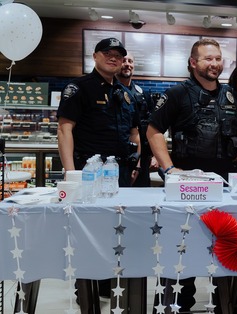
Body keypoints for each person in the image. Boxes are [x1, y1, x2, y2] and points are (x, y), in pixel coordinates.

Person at [146, 38, 237, 313]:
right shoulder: (178, 93)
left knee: (225, 253)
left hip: (225, 188)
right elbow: (153, 131)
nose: (214, 64)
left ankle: (224, 306)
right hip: (187, 190)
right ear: (193, 62)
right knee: (184, 252)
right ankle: (177, 307)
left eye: (218, 58)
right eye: (208, 59)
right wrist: (169, 169)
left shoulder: (231, 96)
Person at [56, 37, 140, 309]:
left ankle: (111, 287)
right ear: (95, 56)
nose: (113, 57)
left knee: (119, 232)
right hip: (90, 175)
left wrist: (136, 162)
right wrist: (71, 174)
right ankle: (88, 295)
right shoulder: (79, 87)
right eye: (107, 53)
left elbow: (134, 131)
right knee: (90, 235)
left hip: (122, 173)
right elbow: (64, 129)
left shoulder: (126, 92)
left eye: (118, 54)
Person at [116, 52, 157, 187]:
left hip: (142, 157)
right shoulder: (110, 91)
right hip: (116, 156)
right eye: (124, 61)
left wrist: (155, 155)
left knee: (141, 196)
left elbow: (153, 126)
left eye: (130, 61)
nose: (127, 64)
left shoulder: (142, 94)